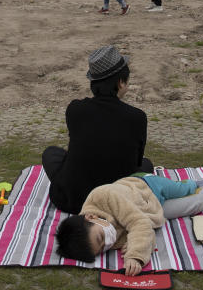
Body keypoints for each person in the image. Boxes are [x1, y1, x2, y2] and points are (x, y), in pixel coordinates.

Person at [42, 45, 152, 214]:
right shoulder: (137, 117)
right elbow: (136, 162)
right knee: (146, 165)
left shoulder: (75, 109)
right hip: (117, 201)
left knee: (51, 153)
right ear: (121, 82)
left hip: (73, 201)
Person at [55, 174, 203, 275]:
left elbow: (140, 224)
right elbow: (146, 233)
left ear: (91, 216)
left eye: (101, 237)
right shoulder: (99, 231)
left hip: (148, 187)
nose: (108, 242)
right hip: (151, 210)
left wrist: (135, 255)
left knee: (182, 189)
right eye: (102, 248)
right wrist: (130, 241)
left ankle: (197, 183)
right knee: (193, 205)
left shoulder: (104, 195)